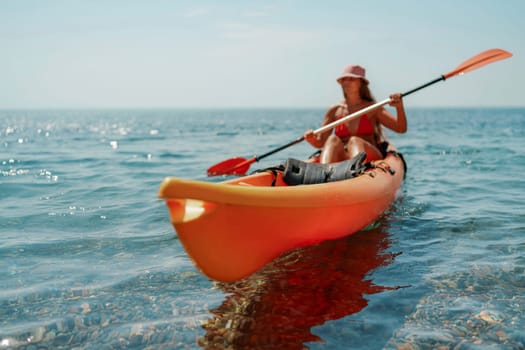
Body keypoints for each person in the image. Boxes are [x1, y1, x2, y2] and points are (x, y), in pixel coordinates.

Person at [304, 64, 407, 163]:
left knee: (354, 141)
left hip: (369, 155)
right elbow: (321, 142)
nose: (346, 82)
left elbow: (400, 128)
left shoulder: (373, 108)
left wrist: (399, 107)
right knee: (332, 139)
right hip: (342, 156)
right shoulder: (335, 110)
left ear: (361, 83)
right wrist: (311, 139)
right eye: (344, 79)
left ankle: (355, 169)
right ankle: (324, 174)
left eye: (351, 79)